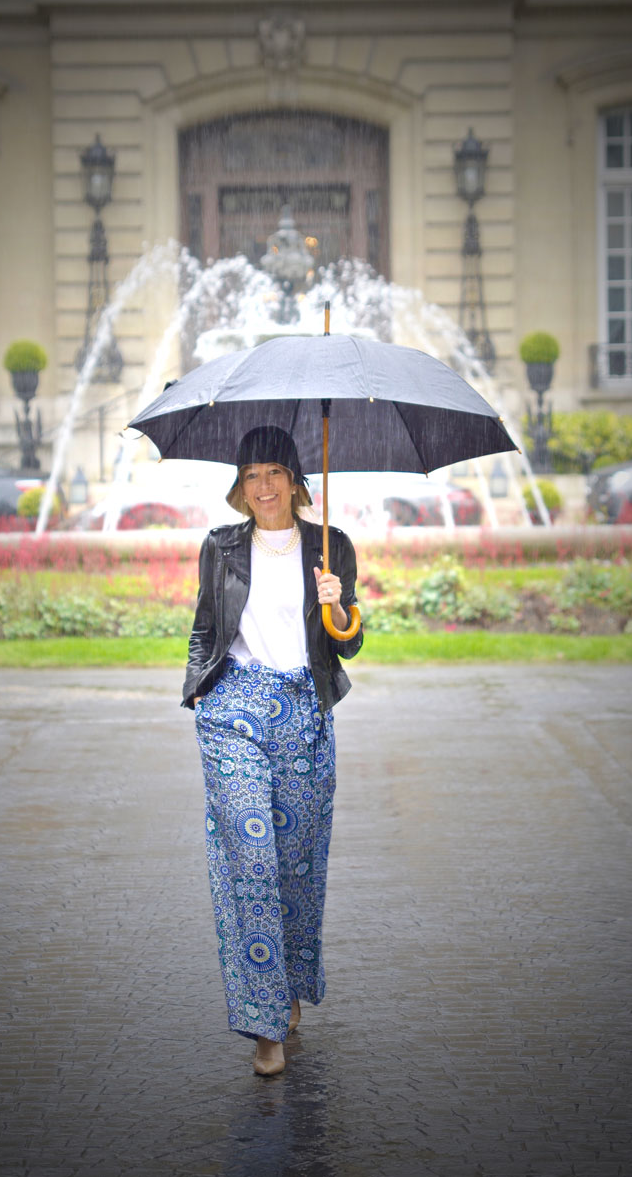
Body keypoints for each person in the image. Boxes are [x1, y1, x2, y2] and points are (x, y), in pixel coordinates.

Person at [183, 425, 363, 1076]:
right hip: (234, 711)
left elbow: (347, 642)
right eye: (252, 475)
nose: (264, 486)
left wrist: (338, 606)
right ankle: (265, 1026)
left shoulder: (330, 546)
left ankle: (288, 985)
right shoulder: (222, 547)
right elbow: (207, 623)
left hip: (303, 713)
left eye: (274, 473)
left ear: (294, 481)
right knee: (252, 859)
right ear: (241, 486)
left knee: (296, 866)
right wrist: (198, 691)